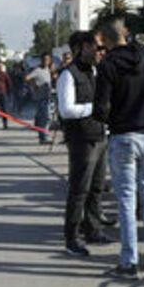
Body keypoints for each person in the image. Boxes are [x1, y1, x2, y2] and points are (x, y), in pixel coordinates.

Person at [95, 19, 144, 277]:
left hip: (123, 135)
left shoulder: (108, 64)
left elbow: (100, 108)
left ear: (103, 38)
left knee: (126, 199)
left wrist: (112, 116)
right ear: (126, 32)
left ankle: (129, 261)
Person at [57, 31, 111, 256]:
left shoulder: (97, 71)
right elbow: (66, 110)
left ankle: (93, 228)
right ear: (83, 48)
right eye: (97, 47)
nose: (101, 52)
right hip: (81, 140)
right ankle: (72, 237)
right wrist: (93, 108)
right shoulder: (68, 75)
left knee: (97, 187)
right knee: (79, 189)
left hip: (100, 136)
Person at [26, 54, 55, 144]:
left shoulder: (49, 70)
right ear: (41, 60)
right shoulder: (38, 70)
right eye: (44, 59)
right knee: (46, 118)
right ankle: (44, 136)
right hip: (41, 98)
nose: (46, 61)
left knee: (45, 118)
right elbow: (27, 78)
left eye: (47, 59)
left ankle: (42, 137)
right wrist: (34, 85)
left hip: (49, 96)